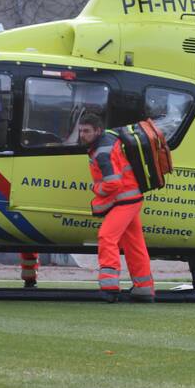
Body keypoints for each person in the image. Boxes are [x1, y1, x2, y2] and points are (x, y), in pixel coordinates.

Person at [77, 113, 155, 302]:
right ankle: (144, 289)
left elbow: (113, 184)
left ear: (97, 131)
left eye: (86, 131)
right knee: (134, 244)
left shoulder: (101, 151)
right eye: (80, 131)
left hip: (125, 200)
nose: (82, 135)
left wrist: (96, 188)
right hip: (131, 198)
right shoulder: (108, 138)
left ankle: (110, 287)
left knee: (107, 236)